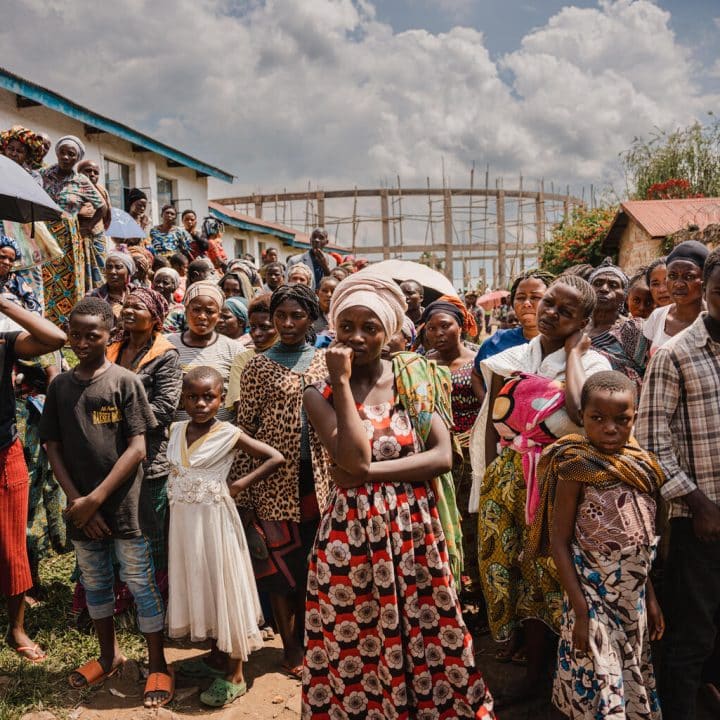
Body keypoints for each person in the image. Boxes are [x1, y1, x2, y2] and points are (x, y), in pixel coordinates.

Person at [302, 270, 496, 718]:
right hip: (350, 541)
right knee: (359, 638)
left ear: (389, 330)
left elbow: (443, 456)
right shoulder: (320, 391)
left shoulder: (416, 377)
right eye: (345, 326)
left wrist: (368, 473)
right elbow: (349, 454)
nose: (356, 337)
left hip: (414, 534)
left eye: (369, 327)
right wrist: (344, 384)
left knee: (431, 630)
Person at [469, 275, 612, 699]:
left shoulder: (596, 366)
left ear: (584, 321)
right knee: (514, 568)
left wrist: (573, 357)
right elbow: (492, 428)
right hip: (509, 480)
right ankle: (530, 670)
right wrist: (492, 482)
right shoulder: (508, 359)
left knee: (555, 572)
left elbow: (577, 411)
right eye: (549, 303)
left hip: (561, 483)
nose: (550, 313)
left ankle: (560, 672)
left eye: (566, 312)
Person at [40, 297, 172, 708]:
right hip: (82, 509)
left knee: (140, 582)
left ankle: (158, 664)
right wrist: (79, 501)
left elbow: (136, 448)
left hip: (124, 506)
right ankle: (108, 655)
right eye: (75, 334)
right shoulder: (60, 386)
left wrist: (96, 498)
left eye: (91, 334)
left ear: (109, 334)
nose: (82, 341)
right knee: (95, 582)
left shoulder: (124, 382)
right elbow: (52, 445)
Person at [529, 371, 664, 719]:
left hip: (631, 601)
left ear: (634, 417)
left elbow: (642, 540)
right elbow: (559, 543)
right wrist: (581, 611)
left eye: (622, 420)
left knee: (626, 678)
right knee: (601, 683)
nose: (609, 429)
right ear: (582, 417)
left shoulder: (642, 467)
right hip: (592, 595)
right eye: (597, 419)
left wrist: (650, 599)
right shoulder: (575, 467)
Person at [635, 246, 720, 720]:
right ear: (705, 293)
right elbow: (651, 442)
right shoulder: (675, 354)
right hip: (701, 521)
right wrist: (698, 502)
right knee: (691, 636)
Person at [167, 366, 284, 708]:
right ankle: (216, 655)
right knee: (200, 583)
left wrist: (238, 485)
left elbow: (274, 457)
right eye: (192, 396)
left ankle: (235, 673)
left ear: (221, 398)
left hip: (217, 521)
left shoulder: (228, 432)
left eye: (209, 397)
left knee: (224, 584)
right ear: (183, 398)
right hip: (184, 526)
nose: (201, 403)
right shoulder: (175, 430)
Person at [231, 284, 329, 678]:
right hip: (273, 483)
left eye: (297, 316)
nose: (287, 324)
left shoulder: (324, 361)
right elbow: (245, 429)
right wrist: (244, 493)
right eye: (280, 316)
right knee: (280, 573)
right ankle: (291, 649)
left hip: (319, 481)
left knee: (313, 567)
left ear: (310, 319)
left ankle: (316, 641)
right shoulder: (257, 366)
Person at [0, 295, 66, 661]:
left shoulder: (5, 340)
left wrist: (4, 305)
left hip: (4, 448)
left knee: (12, 544)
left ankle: (16, 629)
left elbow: (55, 339)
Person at [108, 288, 182, 591]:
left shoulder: (165, 355)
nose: (128, 310)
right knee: (114, 527)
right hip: (109, 452)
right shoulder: (111, 347)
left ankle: (152, 599)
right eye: (126, 305)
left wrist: (114, 415)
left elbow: (164, 409)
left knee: (149, 531)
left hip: (149, 457)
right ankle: (117, 596)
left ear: (154, 318)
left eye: (138, 307)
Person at [421, 298, 482, 600]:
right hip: (434, 454)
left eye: (445, 325)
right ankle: (450, 589)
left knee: (471, 522)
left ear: (461, 326)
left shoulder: (477, 362)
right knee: (441, 521)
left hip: (471, 455)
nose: (438, 333)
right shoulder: (422, 364)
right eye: (431, 328)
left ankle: (477, 592)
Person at [41, 136, 108, 312]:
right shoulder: (44, 175)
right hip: (43, 233)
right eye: (62, 152)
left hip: (69, 239)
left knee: (67, 280)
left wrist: (88, 227)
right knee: (44, 278)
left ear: (77, 158)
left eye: (71, 154)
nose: (65, 157)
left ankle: (65, 322)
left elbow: (102, 207)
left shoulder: (81, 181)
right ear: (57, 153)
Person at [167, 281, 243, 423]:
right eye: (196, 310)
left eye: (209, 311)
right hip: (176, 437)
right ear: (185, 310)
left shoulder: (234, 350)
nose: (202, 316)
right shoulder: (167, 344)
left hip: (221, 438)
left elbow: (240, 401)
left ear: (219, 315)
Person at [586, 258, 648, 389]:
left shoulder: (633, 328)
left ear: (624, 296)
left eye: (613, 285)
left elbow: (648, 372)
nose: (603, 289)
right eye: (597, 283)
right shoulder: (577, 329)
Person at [643, 241, 707, 355]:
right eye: (672, 276)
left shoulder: (714, 320)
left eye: (689, 276)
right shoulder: (658, 317)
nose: (678, 284)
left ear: (705, 280)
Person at [225, 293, 277, 415]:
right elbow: (239, 407)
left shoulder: (293, 357)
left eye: (265, 327)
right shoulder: (243, 360)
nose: (256, 333)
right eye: (253, 327)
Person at [87, 251, 136, 337]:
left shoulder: (136, 293)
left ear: (128, 272)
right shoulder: (94, 296)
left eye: (118, 267)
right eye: (109, 267)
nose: (112, 271)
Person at [0, 235, 42, 314]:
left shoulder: (17, 282)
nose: (6, 262)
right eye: (2, 257)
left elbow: (35, 311)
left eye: (11, 260)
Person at [77, 160, 112, 245]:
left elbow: (107, 215)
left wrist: (91, 226)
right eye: (88, 170)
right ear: (79, 173)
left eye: (96, 173)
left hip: (97, 236)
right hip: (77, 235)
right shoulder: (72, 189)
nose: (92, 174)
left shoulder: (102, 191)